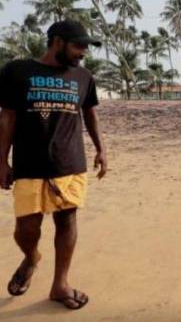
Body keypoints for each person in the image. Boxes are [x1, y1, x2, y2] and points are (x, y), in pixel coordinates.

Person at [0, 20, 108, 310]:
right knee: (26, 228)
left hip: (70, 161)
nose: (83, 52)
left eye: (86, 47)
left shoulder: (84, 76)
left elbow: (90, 114)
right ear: (57, 42)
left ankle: (60, 284)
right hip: (29, 163)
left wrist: (101, 149)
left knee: (67, 220)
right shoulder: (18, 70)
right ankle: (32, 257)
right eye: (78, 46)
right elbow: (7, 116)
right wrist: (2, 160)